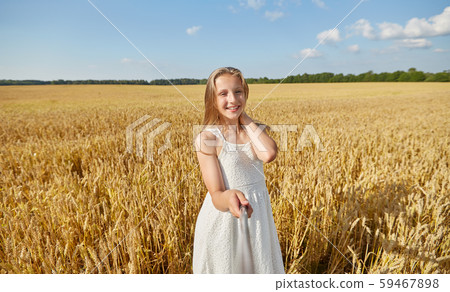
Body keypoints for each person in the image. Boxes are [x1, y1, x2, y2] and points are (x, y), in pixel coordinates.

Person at [192, 67, 284, 274]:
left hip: (258, 215)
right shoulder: (208, 138)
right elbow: (216, 194)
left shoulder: (254, 131)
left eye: (238, 92)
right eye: (223, 94)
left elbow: (268, 154)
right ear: (212, 100)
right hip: (225, 217)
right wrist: (230, 196)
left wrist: (245, 119)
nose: (232, 99)